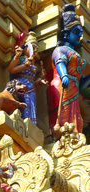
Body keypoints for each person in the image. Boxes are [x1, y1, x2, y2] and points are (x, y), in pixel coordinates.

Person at [50, 4, 90, 134]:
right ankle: (62, 138)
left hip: (74, 88)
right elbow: (59, 62)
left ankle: (73, 138)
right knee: (64, 116)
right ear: (66, 34)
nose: (79, 36)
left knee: (77, 120)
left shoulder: (75, 54)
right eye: (76, 32)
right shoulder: (61, 49)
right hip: (62, 84)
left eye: (80, 33)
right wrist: (64, 75)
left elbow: (82, 83)